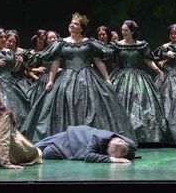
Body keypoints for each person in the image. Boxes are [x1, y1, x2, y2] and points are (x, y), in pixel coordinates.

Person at [20, 12, 136, 143]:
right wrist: (51, 81)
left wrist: (107, 78)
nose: (72, 25)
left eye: (75, 23)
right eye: (71, 23)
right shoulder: (62, 43)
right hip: (67, 76)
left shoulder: (89, 43)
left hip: (88, 76)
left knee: (92, 104)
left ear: (81, 28)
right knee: (64, 103)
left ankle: (93, 138)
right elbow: (56, 62)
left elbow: (98, 61)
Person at [35, 125, 137, 163]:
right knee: (38, 146)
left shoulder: (130, 145)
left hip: (74, 146)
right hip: (75, 135)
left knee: (47, 153)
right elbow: (89, 156)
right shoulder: (98, 138)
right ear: (108, 145)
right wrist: (114, 159)